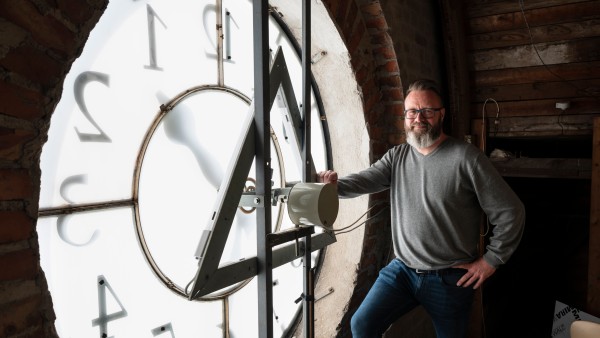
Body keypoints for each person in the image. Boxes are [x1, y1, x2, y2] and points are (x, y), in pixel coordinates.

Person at [317, 79, 526, 338]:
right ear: (405, 115)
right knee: (362, 325)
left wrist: (491, 261)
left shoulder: (467, 158)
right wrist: (331, 187)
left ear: (441, 114)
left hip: (450, 278)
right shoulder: (397, 156)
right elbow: (363, 181)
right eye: (412, 112)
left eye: (427, 111)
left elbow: (510, 211)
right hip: (402, 270)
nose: (419, 118)